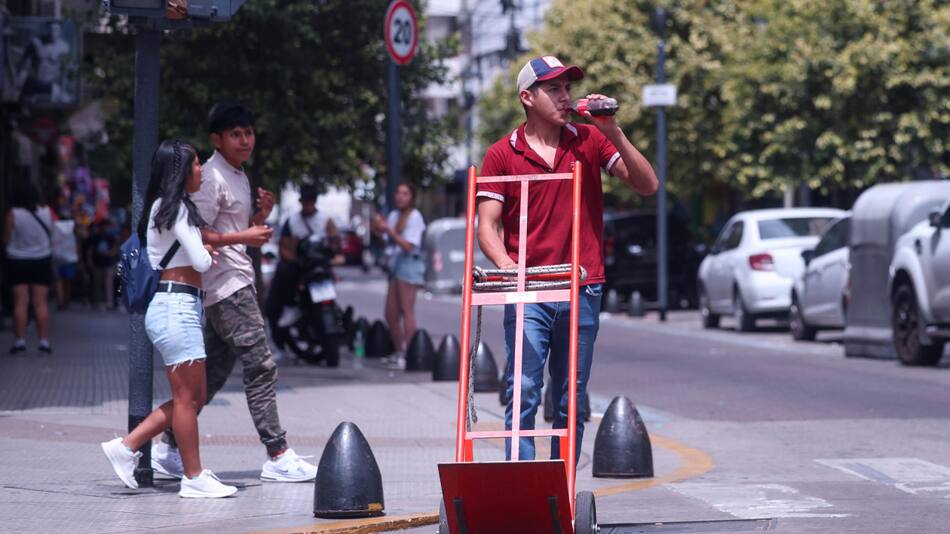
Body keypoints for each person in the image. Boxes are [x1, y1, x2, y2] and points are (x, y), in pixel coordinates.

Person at [476, 56, 658, 462]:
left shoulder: (589, 141)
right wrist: (508, 268)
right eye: (553, 89)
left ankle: (560, 489)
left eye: (567, 88)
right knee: (523, 388)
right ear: (527, 97)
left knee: (570, 396)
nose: (565, 97)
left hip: (582, 285)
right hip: (529, 291)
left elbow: (648, 185)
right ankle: (522, 485)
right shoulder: (501, 155)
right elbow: (486, 227)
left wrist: (612, 129)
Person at [153, 102, 318, 483]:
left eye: (249, 133)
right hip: (227, 288)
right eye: (236, 134)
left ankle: (167, 449)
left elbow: (234, 232)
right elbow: (196, 231)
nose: (246, 141)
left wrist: (259, 217)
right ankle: (277, 453)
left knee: (208, 379)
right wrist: (246, 234)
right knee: (261, 365)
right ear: (217, 139)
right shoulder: (212, 177)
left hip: (232, 284)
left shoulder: (237, 174)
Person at [100, 140, 236, 498]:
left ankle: (127, 446)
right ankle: (193, 477)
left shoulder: (166, 208)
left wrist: (200, 248)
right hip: (176, 308)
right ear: (179, 171)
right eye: (194, 165)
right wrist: (205, 250)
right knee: (189, 398)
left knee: (192, 396)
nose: (200, 171)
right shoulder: (174, 209)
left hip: (180, 307)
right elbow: (202, 262)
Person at [265, 183, 339, 332]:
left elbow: (335, 244)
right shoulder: (292, 222)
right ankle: (290, 304)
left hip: (319, 266)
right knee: (282, 276)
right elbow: (284, 249)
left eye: (311, 201)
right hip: (299, 266)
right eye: (306, 201)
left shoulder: (326, 220)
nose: (308, 205)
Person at [373, 183, 426, 367]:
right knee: (390, 313)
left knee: (406, 310)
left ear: (412, 197)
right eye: (398, 192)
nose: (400, 196)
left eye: (405, 193)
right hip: (396, 265)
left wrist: (389, 231)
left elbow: (408, 246)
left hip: (410, 265)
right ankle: (399, 351)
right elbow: (388, 242)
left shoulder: (415, 217)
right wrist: (379, 230)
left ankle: (410, 353)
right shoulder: (395, 215)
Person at [4, 182, 54, 354]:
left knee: (21, 302)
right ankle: (44, 341)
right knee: (40, 303)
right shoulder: (47, 212)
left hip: (18, 261)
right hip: (42, 260)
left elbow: (6, 239)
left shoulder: (13, 214)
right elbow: (52, 234)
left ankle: (20, 341)